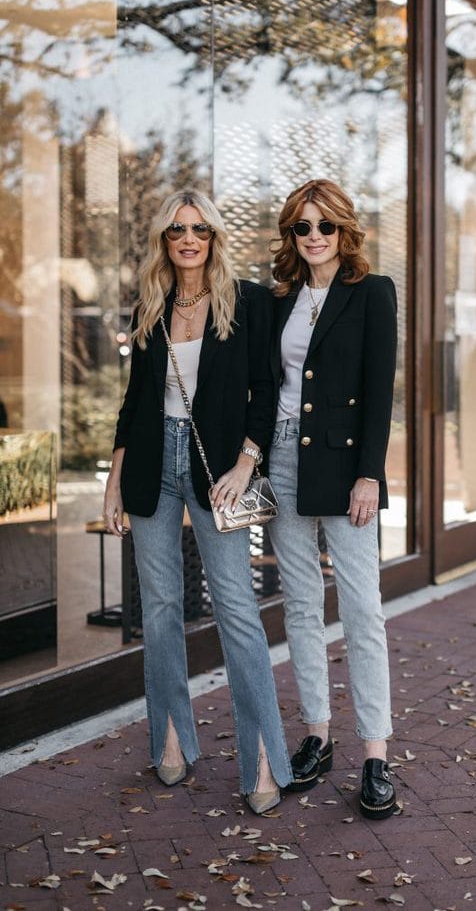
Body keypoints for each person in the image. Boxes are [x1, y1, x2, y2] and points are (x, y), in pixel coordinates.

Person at [103, 188, 292, 814]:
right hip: (154, 464)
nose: (189, 239)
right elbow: (134, 403)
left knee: (236, 607)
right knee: (160, 608)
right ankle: (172, 738)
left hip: (218, 471)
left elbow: (265, 390)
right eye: (178, 230)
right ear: (165, 240)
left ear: (214, 237)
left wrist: (245, 463)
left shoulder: (248, 303)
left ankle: (264, 758)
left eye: (201, 229)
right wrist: (113, 480)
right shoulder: (149, 307)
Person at [267, 178, 398, 819]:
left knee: (362, 607)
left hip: (347, 469)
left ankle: (375, 752)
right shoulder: (280, 299)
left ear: (345, 232)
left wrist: (370, 473)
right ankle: (318, 735)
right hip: (285, 459)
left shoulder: (371, 293)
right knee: (300, 605)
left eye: (325, 226)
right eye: (302, 227)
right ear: (291, 235)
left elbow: (379, 390)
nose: (314, 237)